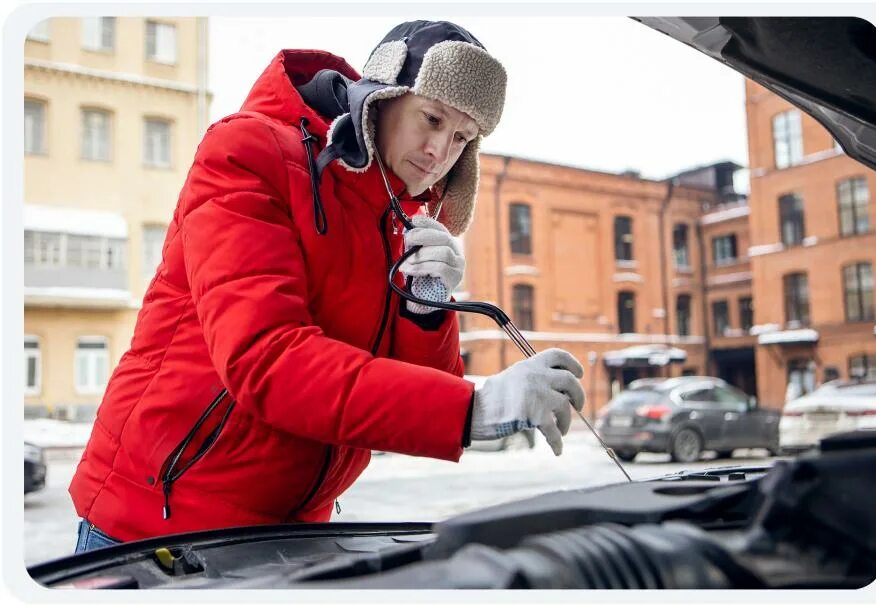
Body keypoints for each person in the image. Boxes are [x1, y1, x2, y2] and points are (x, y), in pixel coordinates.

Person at [69, 20, 585, 551]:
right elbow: (265, 359)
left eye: (461, 138)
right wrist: (476, 406)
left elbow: (416, 395)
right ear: (383, 96)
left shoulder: (398, 218)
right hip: (159, 521)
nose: (438, 152)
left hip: (296, 529)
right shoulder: (247, 152)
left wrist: (428, 304)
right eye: (430, 119)